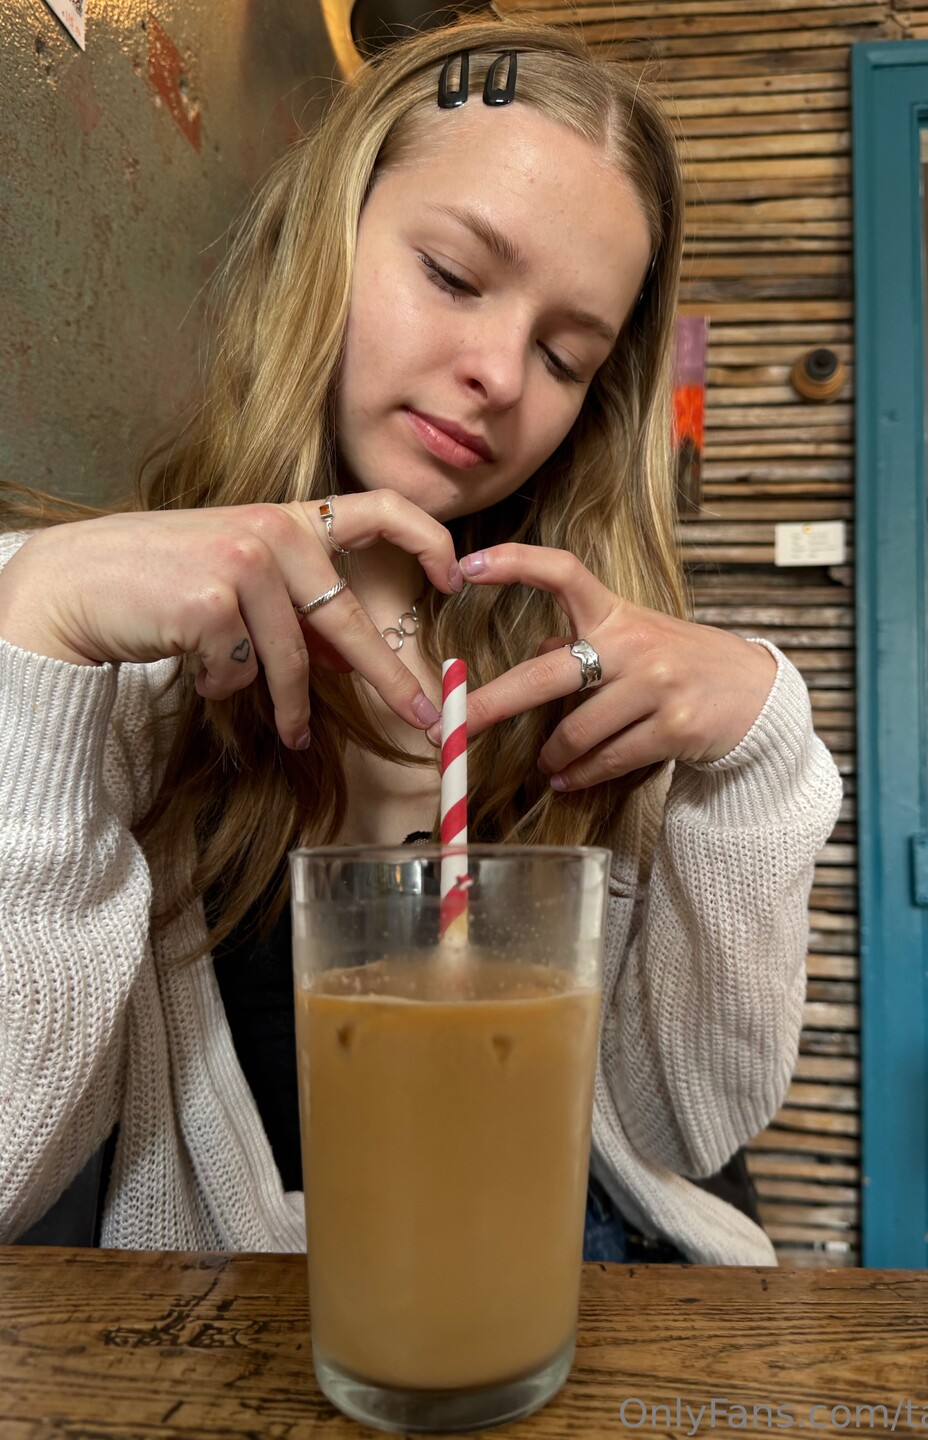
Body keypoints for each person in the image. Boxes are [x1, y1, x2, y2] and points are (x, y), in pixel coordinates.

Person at [0, 17, 842, 1265]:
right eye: (452, 275)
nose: (500, 372)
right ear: (324, 239)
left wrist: (764, 756)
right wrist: (36, 639)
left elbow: (685, 1126)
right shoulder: (85, 642)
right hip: (244, 1321)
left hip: (575, 1283)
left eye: (565, 355)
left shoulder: (592, 679)